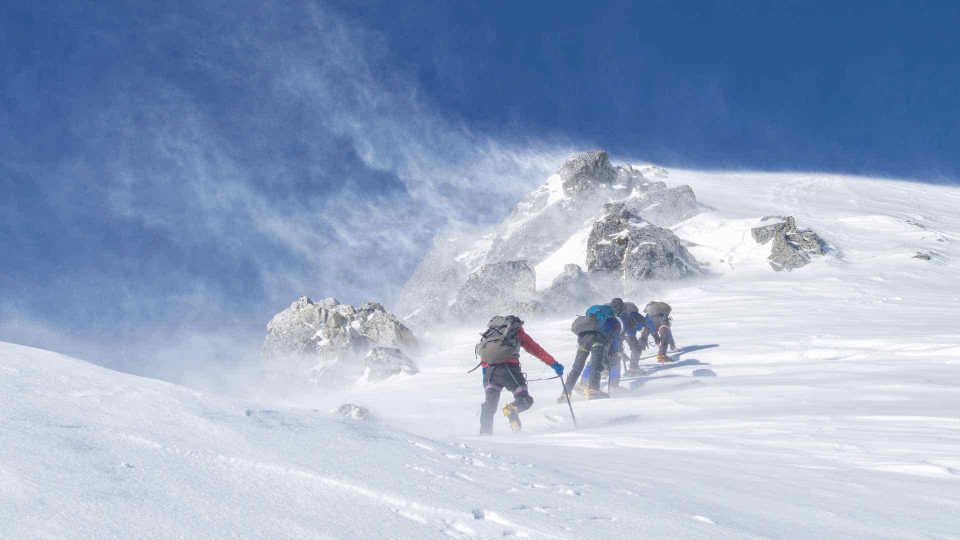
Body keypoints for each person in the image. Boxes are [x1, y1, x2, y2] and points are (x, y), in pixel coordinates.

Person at [476, 315, 563, 435]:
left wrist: (486, 381)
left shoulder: (491, 333)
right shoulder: (516, 331)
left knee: (489, 406)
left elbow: (485, 358)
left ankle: (485, 435)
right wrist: (554, 364)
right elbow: (536, 350)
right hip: (509, 370)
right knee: (525, 399)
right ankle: (512, 409)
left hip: (489, 373)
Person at [560, 298, 624, 400]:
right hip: (597, 340)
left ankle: (566, 393)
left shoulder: (597, 313)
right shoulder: (615, 322)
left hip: (583, 339)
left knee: (577, 367)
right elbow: (615, 341)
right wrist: (615, 354)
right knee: (596, 365)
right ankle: (593, 390)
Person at [620, 302, 660, 373]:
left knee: (615, 351)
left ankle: (606, 369)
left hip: (616, 334)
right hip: (629, 334)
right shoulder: (634, 314)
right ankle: (633, 367)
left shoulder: (617, 315)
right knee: (636, 349)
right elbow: (647, 323)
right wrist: (655, 336)